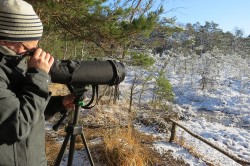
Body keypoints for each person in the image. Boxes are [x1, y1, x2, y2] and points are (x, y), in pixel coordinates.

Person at [0, 0, 75, 165]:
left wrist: (58, 103)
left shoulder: (14, 62)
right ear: (4, 39)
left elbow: (24, 107)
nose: (32, 54)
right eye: (29, 49)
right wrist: (39, 75)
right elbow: (16, 125)